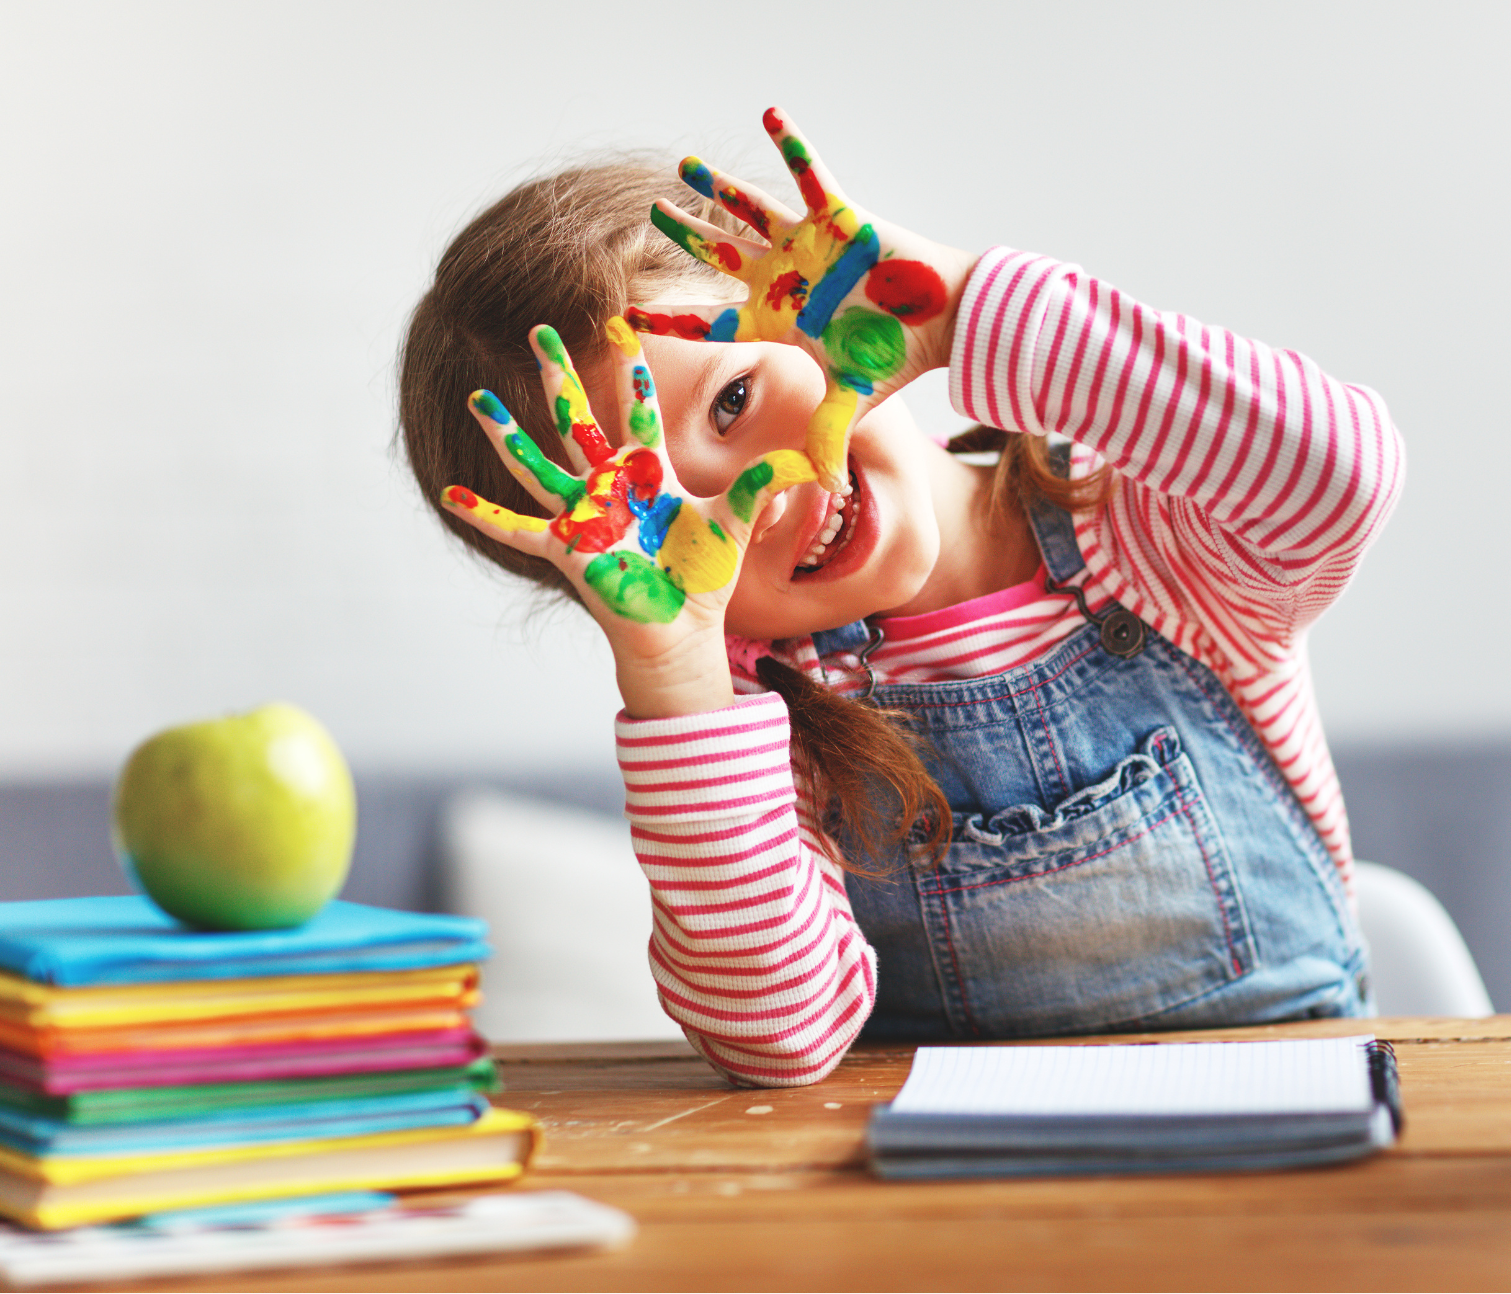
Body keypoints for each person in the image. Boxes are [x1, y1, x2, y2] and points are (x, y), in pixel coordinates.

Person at [400, 108, 1405, 1087]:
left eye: (732, 399)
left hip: (1293, 1126)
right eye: (656, 515)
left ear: (821, 312)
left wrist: (957, 309)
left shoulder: (1147, 534)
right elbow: (777, 1039)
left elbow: (1336, 474)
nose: (756, 494)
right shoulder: (757, 716)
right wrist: (674, 673)